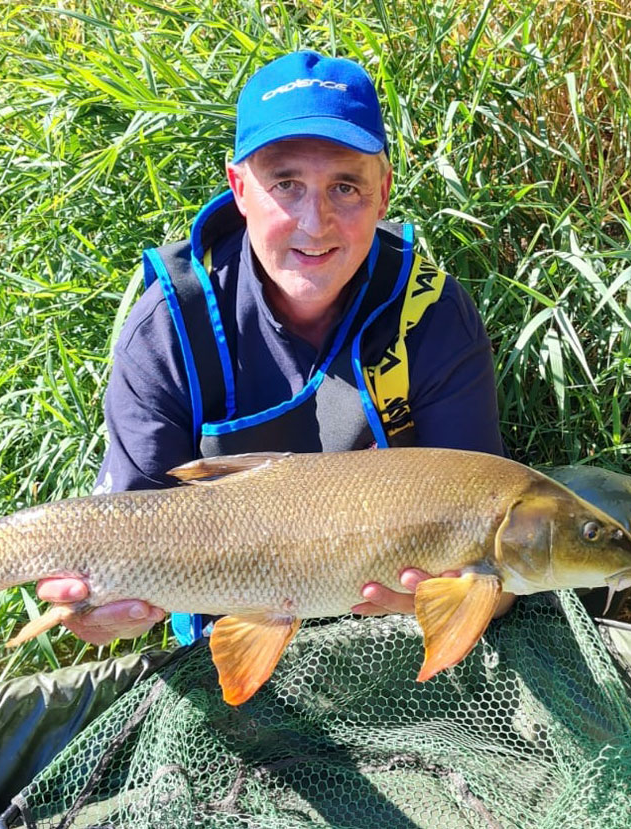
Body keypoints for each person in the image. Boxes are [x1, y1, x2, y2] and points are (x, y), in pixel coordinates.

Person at [36, 50, 513, 646]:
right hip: (226, 625)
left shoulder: (431, 313)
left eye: (345, 187)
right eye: (286, 184)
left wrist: (476, 599)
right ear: (239, 188)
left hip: (389, 631)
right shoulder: (170, 325)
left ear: (384, 190)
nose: (315, 223)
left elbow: (490, 554)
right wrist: (102, 614)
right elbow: (131, 531)